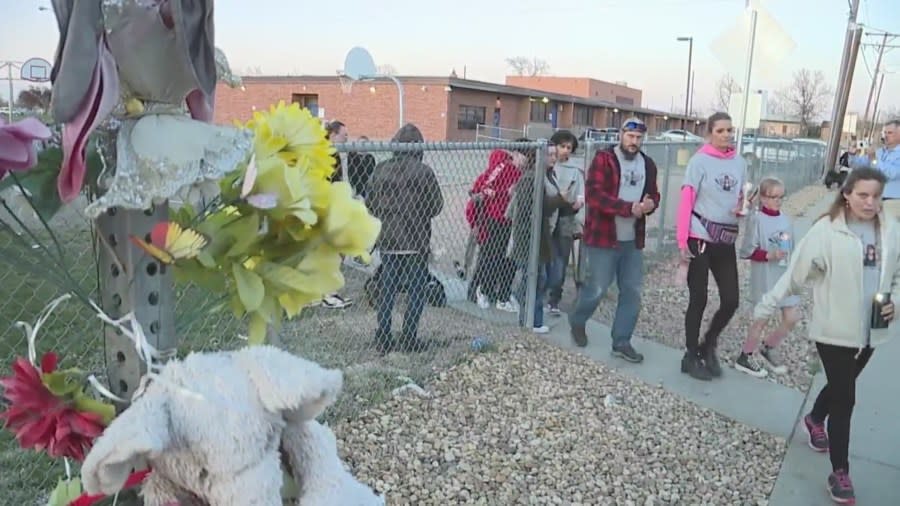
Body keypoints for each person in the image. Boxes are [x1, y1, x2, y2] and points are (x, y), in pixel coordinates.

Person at [752, 168, 899, 504]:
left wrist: (897, 303)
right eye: (863, 194)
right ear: (846, 194)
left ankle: (815, 417)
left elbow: (898, 274)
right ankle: (840, 472)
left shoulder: (890, 230)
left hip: (872, 331)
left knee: (839, 385)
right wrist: (764, 309)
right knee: (846, 398)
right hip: (834, 329)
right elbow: (794, 274)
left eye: (876, 195)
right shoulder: (826, 230)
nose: (870, 202)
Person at [568, 117, 660, 363]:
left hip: (632, 241)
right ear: (621, 135)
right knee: (597, 288)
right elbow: (595, 196)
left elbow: (654, 193)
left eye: (639, 138)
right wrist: (628, 208)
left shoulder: (648, 164)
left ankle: (621, 341)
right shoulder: (604, 159)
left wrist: (651, 203)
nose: (634, 142)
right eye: (630, 137)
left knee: (632, 291)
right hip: (603, 238)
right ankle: (577, 319)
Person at [676, 112, 748, 380]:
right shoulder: (699, 162)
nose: (727, 135)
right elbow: (686, 200)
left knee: (731, 299)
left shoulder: (739, 163)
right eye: (721, 131)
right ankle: (690, 354)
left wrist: (741, 208)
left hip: (725, 238)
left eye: (730, 130)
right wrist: (682, 240)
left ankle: (709, 344)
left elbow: (739, 195)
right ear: (710, 133)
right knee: (699, 297)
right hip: (700, 236)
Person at [366, 123, 444, 354]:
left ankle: (383, 335)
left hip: (388, 239)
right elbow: (436, 206)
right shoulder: (424, 171)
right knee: (416, 290)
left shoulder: (381, 169)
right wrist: (418, 211)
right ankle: (409, 337)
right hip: (416, 239)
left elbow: (370, 204)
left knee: (387, 288)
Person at [735, 176, 800, 377]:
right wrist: (768, 255)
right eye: (773, 197)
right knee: (761, 319)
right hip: (764, 277)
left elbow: (791, 248)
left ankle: (769, 346)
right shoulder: (757, 220)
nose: (778, 201)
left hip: (784, 276)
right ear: (763, 198)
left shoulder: (786, 220)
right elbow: (746, 251)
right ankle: (745, 355)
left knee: (792, 317)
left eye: (781, 197)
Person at [507, 142, 569, 333]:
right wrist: (559, 199)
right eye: (548, 154)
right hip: (530, 237)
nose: (553, 157)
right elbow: (531, 209)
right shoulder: (531, 179)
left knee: (539, 278)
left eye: (553, 154)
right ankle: (531, 320)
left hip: (542, 236)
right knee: (536, 278)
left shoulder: (547, 176)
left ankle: (529, 315)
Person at [465, 149, 522, 311]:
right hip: (495, 219)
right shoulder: (504, 169)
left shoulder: (507, 171)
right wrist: (505, 193)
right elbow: (486, 191)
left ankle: (485, 290)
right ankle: (479, 290)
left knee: (492, 257)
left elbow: (484, 191)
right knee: (488, 257)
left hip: (499, 219)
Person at [545, 129, 585, 315]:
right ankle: (540, 293)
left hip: (567, 217)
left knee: (561, 260)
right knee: (545, 257)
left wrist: (579, 203)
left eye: (569, 147)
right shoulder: (548, 165)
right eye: (562, 146)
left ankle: (554, 299)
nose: (565, 151)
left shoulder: (576, 170)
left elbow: (581, 194)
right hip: (549, 215)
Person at [851, 119, 899, 219]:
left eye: (890, 133)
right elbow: (860, 166)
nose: (886, 136)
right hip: (875, 199)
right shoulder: (880, 152)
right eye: (885, 132)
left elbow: (891, 174)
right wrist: (852, 155)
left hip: (893, 201)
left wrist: (874, 160)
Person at [347, 135, 376, 199]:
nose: (363, 145)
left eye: (365, 143)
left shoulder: (370, 158)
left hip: (367, 187)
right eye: (361, 143)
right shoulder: (352, 157)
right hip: (355, 187)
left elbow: (373, 172)